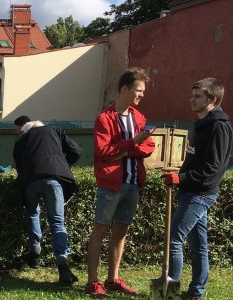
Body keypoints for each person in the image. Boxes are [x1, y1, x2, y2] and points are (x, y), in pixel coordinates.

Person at [85, 68, 156, 297]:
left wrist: (126, 150)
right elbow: (103, 152)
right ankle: (93, 282)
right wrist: (133, 142)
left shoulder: (138, 117)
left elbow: (149, 147)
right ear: (125, 89)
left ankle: (113, 279)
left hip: (133, 183)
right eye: (138, 90)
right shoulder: (104, 119)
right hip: (111, 184)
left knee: (121, 231)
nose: (141, 95)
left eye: (143, 91)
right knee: (100, 230)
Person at [161, 78, 232, 300]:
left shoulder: (218, 127)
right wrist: (181, 177)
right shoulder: (202, 124)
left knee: (174, 239)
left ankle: (170, 292)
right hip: (192, 191)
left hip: (200, 194)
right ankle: (196, 293)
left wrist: (181, 179)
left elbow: (213, 168)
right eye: (192, 96)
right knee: (198, 244)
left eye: (197, 96)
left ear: (211, 99)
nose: (191, 100)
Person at [12, 119, 81, 285]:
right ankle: (62, 261)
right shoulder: (55, 131)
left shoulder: (21, 140)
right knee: (57, 222)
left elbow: (18, 166)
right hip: (54, 179)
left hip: (31, 181)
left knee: (32, 212)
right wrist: (62, 164)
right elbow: (76, 151)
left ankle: (35, 247)